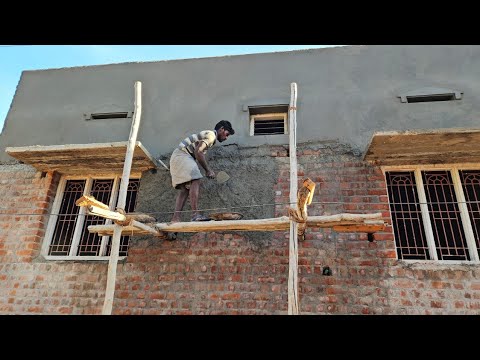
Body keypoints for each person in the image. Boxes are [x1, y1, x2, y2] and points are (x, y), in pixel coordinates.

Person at [168, 120, 235, 230]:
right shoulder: (211, 135)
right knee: (196, 180)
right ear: (221, 129)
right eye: (227, 134)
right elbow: (198, 152)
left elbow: (197, 153)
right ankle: (195, 215)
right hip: (182, 155)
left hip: (177, 157)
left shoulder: (208, 136)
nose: (226, 138)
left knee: (184, 189)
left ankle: (175, 218)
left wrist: (206, 170)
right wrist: (208, 170)